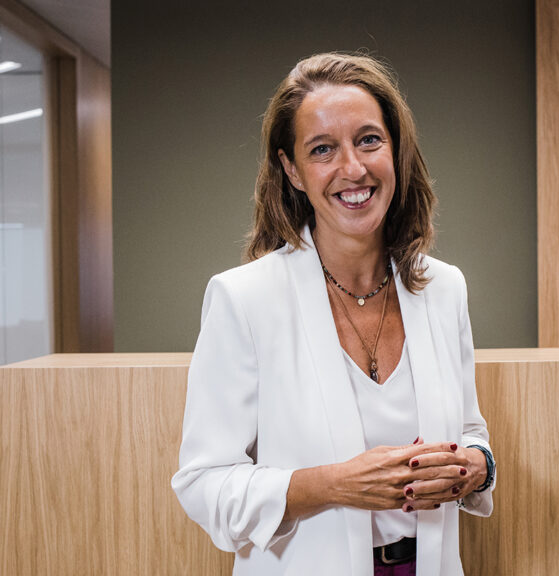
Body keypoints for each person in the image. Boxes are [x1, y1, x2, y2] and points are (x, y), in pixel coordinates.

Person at [172, 52, 495, 576]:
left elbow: (470, 431)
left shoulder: (443, 288)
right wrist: (333, 485)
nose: (353, 168)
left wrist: (477, 466)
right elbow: (203, 484)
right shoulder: (244, 299)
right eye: (323, 149)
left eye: (369, 140)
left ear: (396, 151)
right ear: (292, 170)